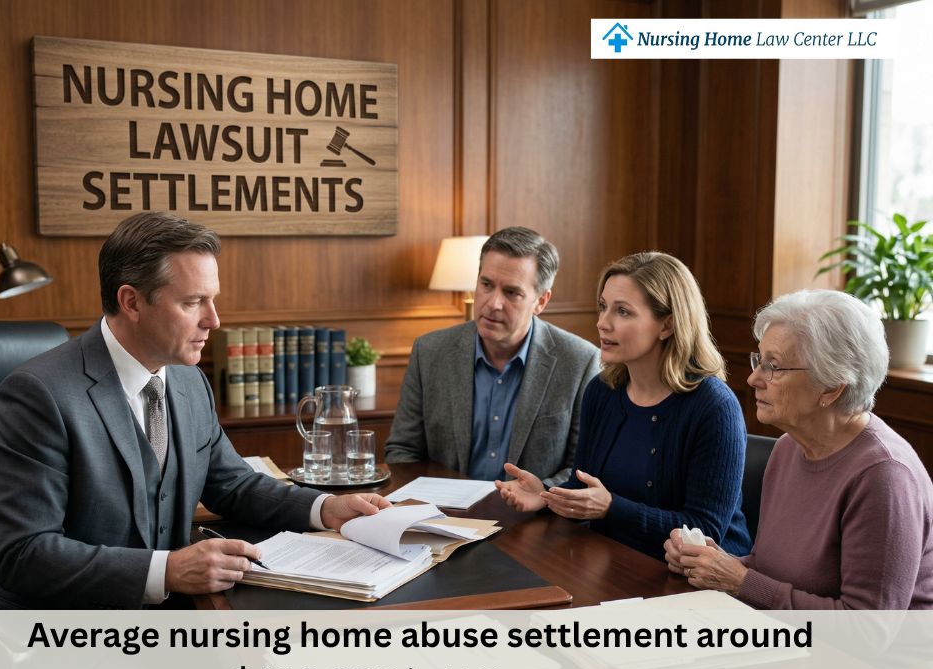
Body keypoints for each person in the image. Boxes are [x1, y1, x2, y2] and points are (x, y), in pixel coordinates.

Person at [0, 212, 390, 669]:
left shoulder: (187, 382)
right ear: (131, 301)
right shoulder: (38, 395)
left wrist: (323, 509)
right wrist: (168, 569)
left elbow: (232, 483)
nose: (214, 319)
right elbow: (23, 554)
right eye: (194, 302)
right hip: (46, 642)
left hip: (156, 628)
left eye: (212, 299)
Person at [666, 289, 933, 609]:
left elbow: (867, 632)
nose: (753, 379)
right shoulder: (788, 448)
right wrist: (715, 562)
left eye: (774, 367)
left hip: (873, 659)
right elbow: (778, 572)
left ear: (831, 387)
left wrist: (740, 581)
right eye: (759, 360)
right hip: (790, 638)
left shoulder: (884, 477)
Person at [499, 251, 750, 559]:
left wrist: (611, 508)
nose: (603, 323)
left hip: (694, 580)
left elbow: (704, 529)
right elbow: (584, 483)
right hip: (614, 561)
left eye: (623, 312)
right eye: (603, 307)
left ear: (667, 325)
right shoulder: (602, 391)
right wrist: (546, 496)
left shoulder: (713, 406)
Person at [384, 227, 599, 484]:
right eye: (486, 285)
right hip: (441, 514)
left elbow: (581, 467)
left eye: (511, 292)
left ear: (541, 301)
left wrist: (538, 494)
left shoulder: (580, 361)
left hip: (534, 518)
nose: (493, 303)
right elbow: (403, 451)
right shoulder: (429, 352)